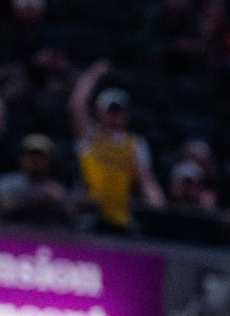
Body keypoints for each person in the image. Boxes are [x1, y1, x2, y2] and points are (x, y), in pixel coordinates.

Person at [69, 60, 165, 231]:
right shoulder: (90, 138)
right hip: (89, 218)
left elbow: (147, 180)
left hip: (121, 221)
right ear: (99, 113)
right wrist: (94, 73)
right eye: (110, 111)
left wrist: (158, 205)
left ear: (126, 114)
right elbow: (77, 104)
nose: (114, 116)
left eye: (119, 111)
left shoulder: (135, 144)